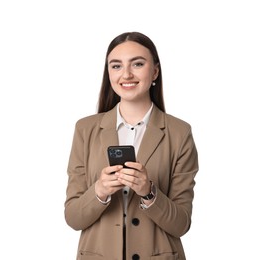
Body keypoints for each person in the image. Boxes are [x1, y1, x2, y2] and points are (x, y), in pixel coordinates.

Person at [64, 31, 199, 260]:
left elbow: (181, 224)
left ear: (155, 71)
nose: (126, 74)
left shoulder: (179, 133)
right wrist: (100, 191)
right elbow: (73, 218)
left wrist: (149, 193)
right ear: (108, 74)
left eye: (137, 64)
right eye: (116, 66)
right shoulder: (85, 129)